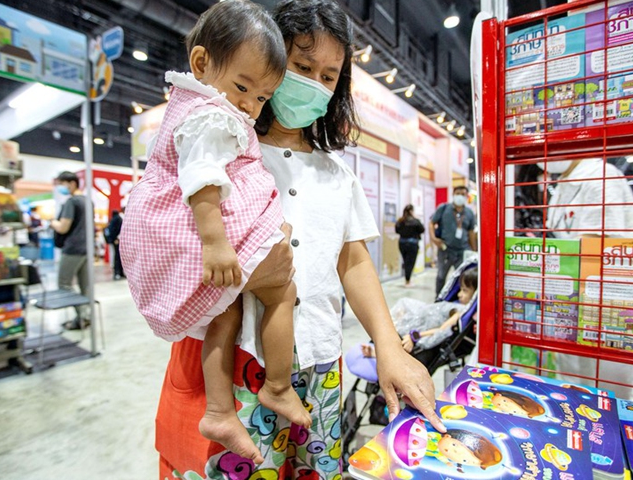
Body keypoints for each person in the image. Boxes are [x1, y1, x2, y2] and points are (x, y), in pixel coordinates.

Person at [153, 1, 444, 478]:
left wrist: (388, 345)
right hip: (230, 364)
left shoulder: (338, 174)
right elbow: (169, 243)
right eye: (302, 66)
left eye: (329, 76)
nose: (314, 83)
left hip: (319, 363)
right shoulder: (221, 151)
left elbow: (353, 262)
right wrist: (246, 273)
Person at [121, 0, 312, 463]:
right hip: (211, 236)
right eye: (243, 86)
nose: (250, 105)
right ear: (202, 63)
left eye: (263, 97)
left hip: (210, 237)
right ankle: (279, 386)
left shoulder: (200, 107)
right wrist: (215, 241)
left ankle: (221, 412)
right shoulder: (213, 115)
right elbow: (203, 177)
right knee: (282, 292)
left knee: (222, 313)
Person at [544, 157, 633, 401]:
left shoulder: (601, 177)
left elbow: (596, 243)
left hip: (609, 301)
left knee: (611, 387)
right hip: (573, 296)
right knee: (572, 382)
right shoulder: (563, 183)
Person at [361, 267, 477, 359]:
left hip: (422, 327)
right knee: (403, 304)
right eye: (460, 289)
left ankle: (381, 352)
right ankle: (380, 342)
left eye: (465, 291)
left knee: (401, 328)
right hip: (425, 314)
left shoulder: (460, 312)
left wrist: (414, 336)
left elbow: (442, 330)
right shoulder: (456, 304)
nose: (459, 294)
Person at [51, 171, 90, 330]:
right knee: (85, 286)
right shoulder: (87, 201)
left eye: (62, 184)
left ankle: (83, 315)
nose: (61, 187)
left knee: (64, 283)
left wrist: (53, 222)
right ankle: (85, 317)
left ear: (72, 183)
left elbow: (63, 227)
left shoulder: (71, 202)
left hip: (72, 249)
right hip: (86, 248)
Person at [430, 185, 477, 296]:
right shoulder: (443, 208)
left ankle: (458, 297)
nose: (460, 196)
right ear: (453, 194)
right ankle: (438, 298)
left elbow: (471, 232)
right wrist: (433, 238)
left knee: (462, 276)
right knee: (441, 276)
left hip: (462, 250)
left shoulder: (469, 213)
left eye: (463, 194)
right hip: (445, 249)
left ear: (466, 196)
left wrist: (474, 250)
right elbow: (431, 223)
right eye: (458, 193)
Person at [395, 204, 425, 287]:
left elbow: (397, 230)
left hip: (402, 243)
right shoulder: (415, 221)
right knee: (410, 262)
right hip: (412, 244)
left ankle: (407, 279)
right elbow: (422, 229)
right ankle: (407, 281)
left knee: (406, 261)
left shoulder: (400, 221)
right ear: (411, 211)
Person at [106, 208, 124, 279]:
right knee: (117, 257)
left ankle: (118, 272)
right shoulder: (119, 219)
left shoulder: (113, 219)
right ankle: (118, 272)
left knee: (116, 256)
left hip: (113, 240)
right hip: (117, 240)